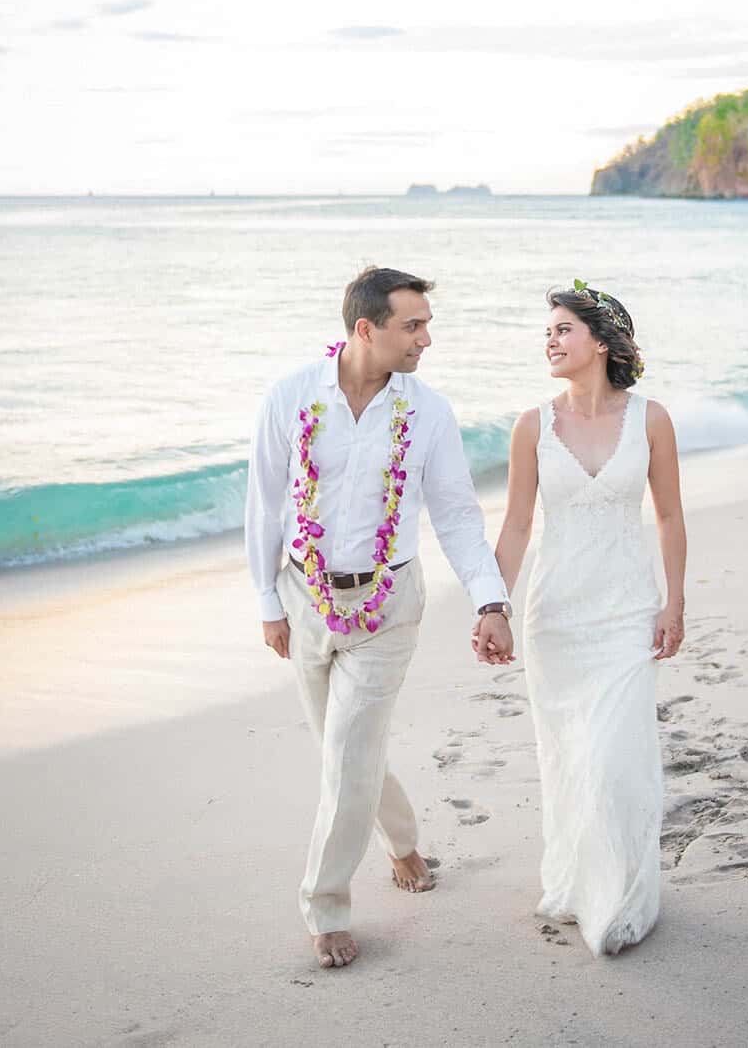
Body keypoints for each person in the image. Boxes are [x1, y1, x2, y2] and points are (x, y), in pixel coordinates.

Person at [246, 266, 513, 971]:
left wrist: (490, 598)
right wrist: (267, 602)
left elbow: (455, 512)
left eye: (426, 323)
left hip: (388, 603)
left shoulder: (427, 412)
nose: (427, 338)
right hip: (304, 599)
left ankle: (324, 905)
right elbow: (265, 500)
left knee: (346, 750)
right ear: (365, 329)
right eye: (412, 325)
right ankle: (401, 843)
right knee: (345, 751)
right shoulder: (291, 396)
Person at [485, 279, 686, 956]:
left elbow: (668, 515)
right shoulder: (532, 425)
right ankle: (580, 882)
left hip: (627, 611)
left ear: (600, 340)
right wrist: (493, 605)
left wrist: (674, 599)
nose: (550, 339)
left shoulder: (650, 419)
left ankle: (621, 896)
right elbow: (515, 527)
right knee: (570, 756)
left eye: (563, 328)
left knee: (614, 758)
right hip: (557, 617)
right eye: (547, 330)